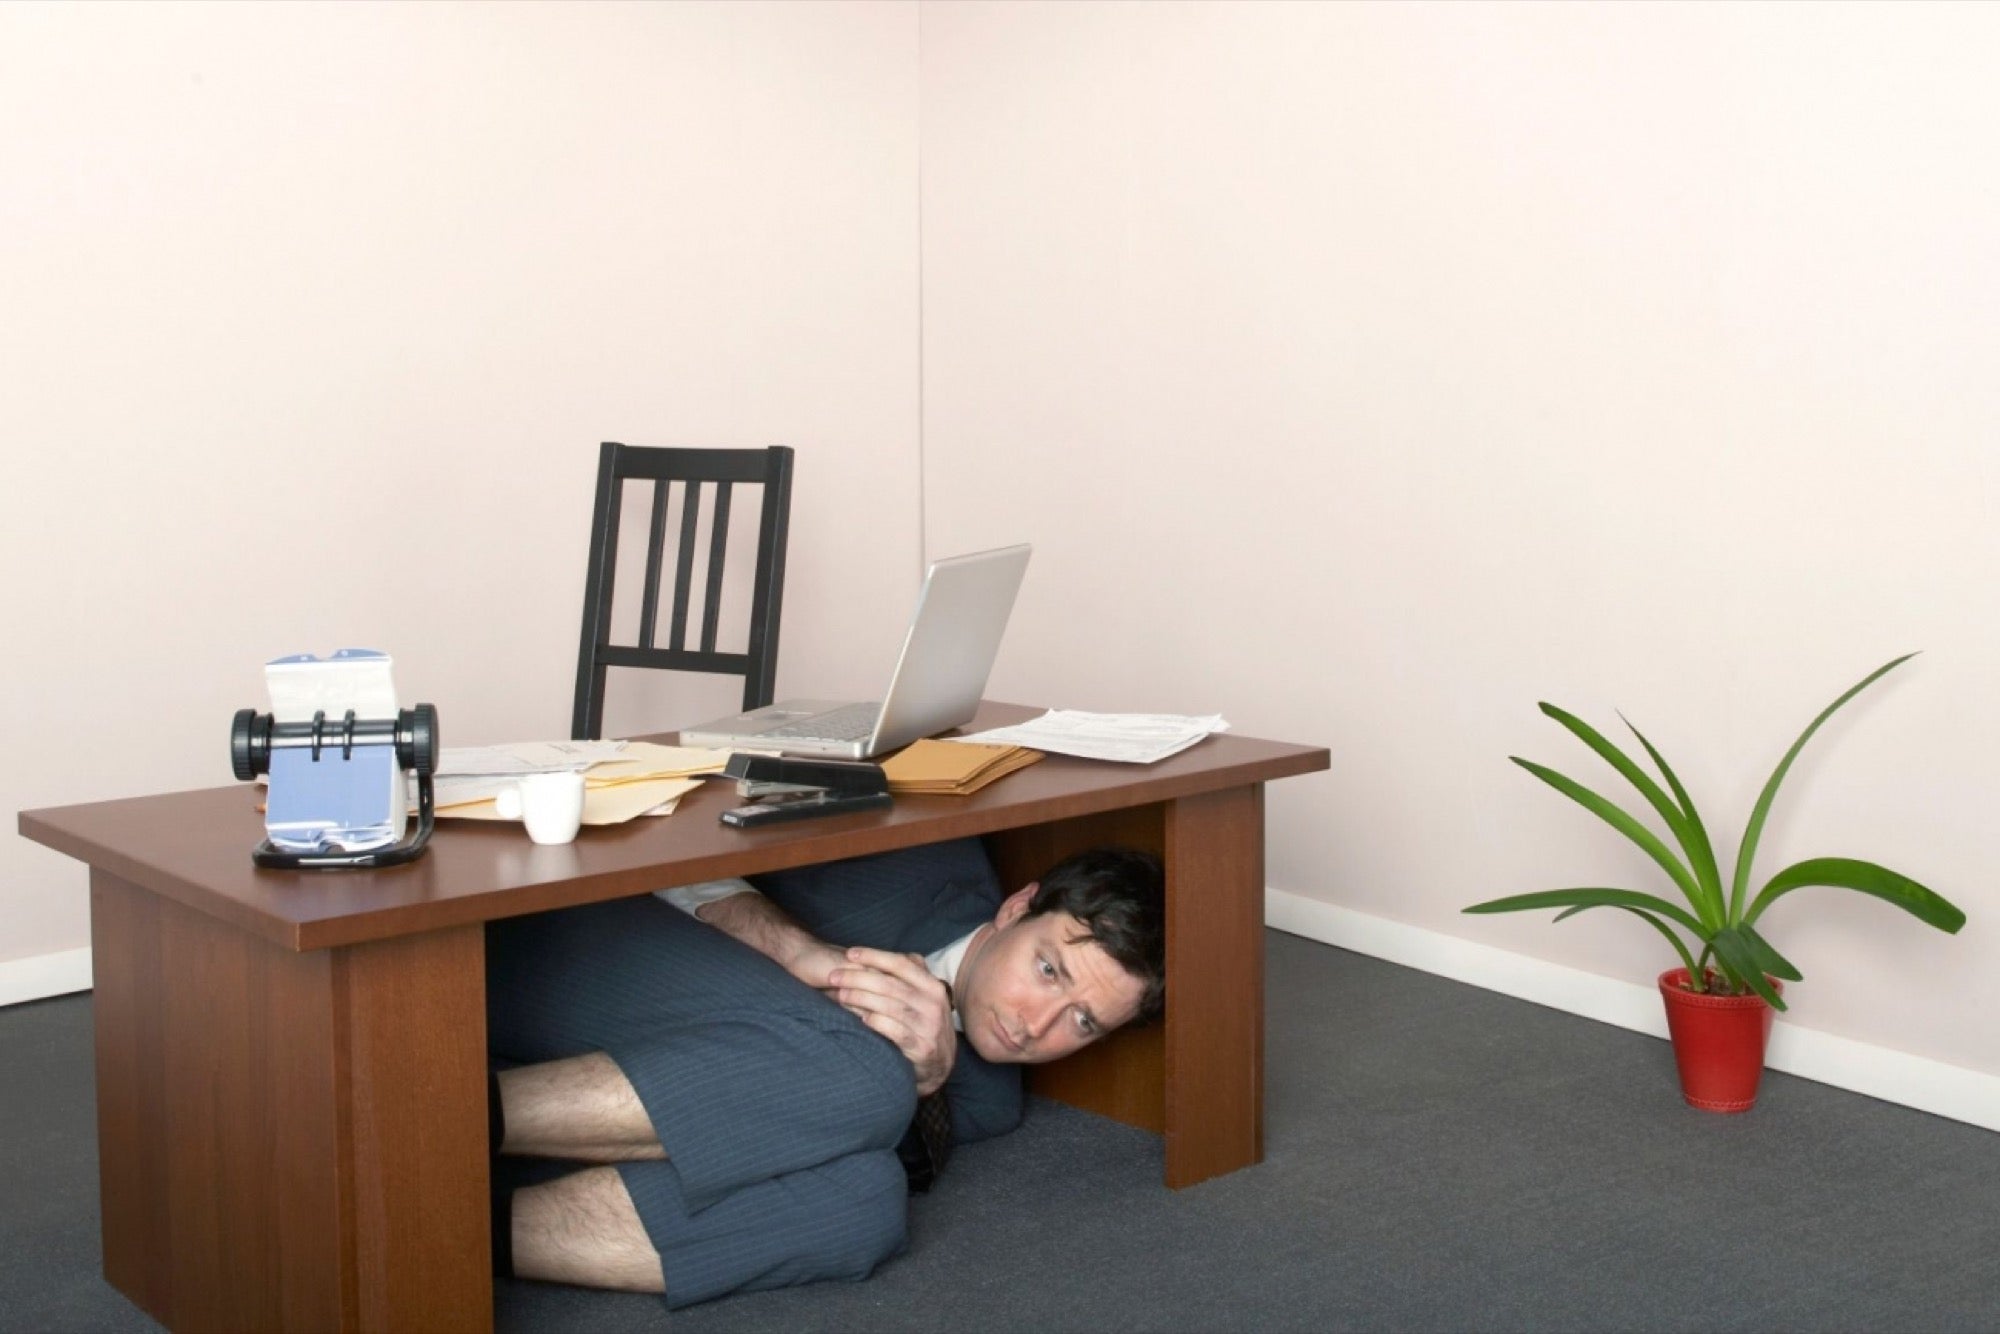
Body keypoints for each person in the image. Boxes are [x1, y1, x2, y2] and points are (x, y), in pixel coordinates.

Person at [484, 837, 1166, 1308]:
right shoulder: (912, 865)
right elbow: (667, 852)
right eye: (1048, 970)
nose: (1036, 1025)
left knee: (866, 1208)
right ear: (1018, 908)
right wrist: (807, 958)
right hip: (565, 942)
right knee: (868, 1074)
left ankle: (449, 1227)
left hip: (633, 1075)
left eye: (1083, 1023)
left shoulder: (989, 1099)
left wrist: (925, 1081)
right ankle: (443, 1126)